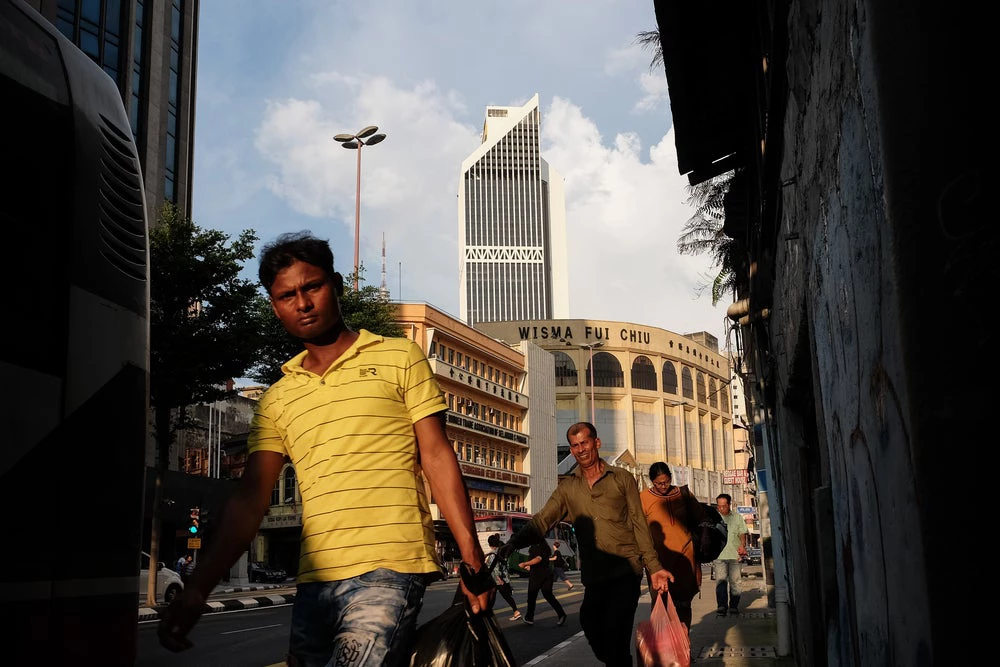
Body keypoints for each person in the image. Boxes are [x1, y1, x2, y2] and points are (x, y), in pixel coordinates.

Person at [158, 232, 494, 666]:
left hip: (389, 563)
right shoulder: (277, 399)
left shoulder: (400, 357)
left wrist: (471, 559)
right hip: (314, 578)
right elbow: (250, 499)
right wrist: (197, 589)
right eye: (286, 295)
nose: (302, 303)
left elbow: (436, 455)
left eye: (311, 287)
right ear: (275, 306)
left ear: (335, 284)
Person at [499, 422, 672, 666]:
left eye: (585, 443)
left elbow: (638, 523)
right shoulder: (568, 488)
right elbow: (541, 520)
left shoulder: (622, 479)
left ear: (596, 443)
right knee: (590, 623)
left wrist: (653, 567)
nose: (581, 449)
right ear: (571, 450)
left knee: (617, 634)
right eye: (575, 445)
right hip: (594, 576)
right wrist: (513, 543)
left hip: (625, 572)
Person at [639, 462, 708, 630]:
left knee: (684, 604)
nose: (663, 486)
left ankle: (684, 646)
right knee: (661, 604)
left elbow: (703, 519)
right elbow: (638, 529)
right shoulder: (643, 498)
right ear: (652, 482)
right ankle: (665, 648)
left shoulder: (683, 494)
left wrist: (703, 542)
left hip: (685, 557)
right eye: (659, 483)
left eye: (667, 481)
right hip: (658, 562)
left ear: (670, 477)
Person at [517, 536, 567, 626]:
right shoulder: (546, 547)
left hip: (537, 575)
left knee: (532, 597)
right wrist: (530, 566)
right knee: (549, 596)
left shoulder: (536, 547)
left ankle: (529, 617)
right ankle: (561, 614)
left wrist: (526, 563)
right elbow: (542, 560)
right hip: (547, 574)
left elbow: (538, 558)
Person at [713, 493, 748, 617]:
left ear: (729, 504)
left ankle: (734, 606)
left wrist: (742, 545)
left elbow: (742, 533)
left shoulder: (737, 517)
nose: (721, 509)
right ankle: (722, 606)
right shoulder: (714, 518)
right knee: (721, 581)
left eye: (724, 506)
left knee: (736, 582)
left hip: (734, 555)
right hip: (719, 556)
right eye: (719, 506)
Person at [485, 533, 521, 621]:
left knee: (494, 596)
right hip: (503, 577)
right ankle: (515, 611)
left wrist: (498, 579)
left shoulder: (493, 555)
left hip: (496, 579)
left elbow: (496, 568)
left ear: (490, 544)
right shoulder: (501, 551)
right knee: (503, 596)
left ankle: (515, 611)